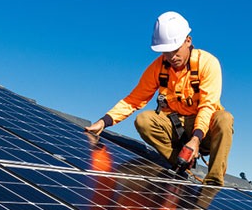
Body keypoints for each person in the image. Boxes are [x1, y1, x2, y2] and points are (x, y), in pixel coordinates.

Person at [85, 11, 233, 185]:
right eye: (166, 52)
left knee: (224, 119)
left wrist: (196, 139)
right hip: (175, 125)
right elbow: (134, 99)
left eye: (175, 50)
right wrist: (104, 122)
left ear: (188, 41)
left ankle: (213, 182)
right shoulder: (158, 67)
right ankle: (181, 163)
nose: (171, 57)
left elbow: (208, 106)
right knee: (144, 120)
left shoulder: (208, 64)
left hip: (204, 130)